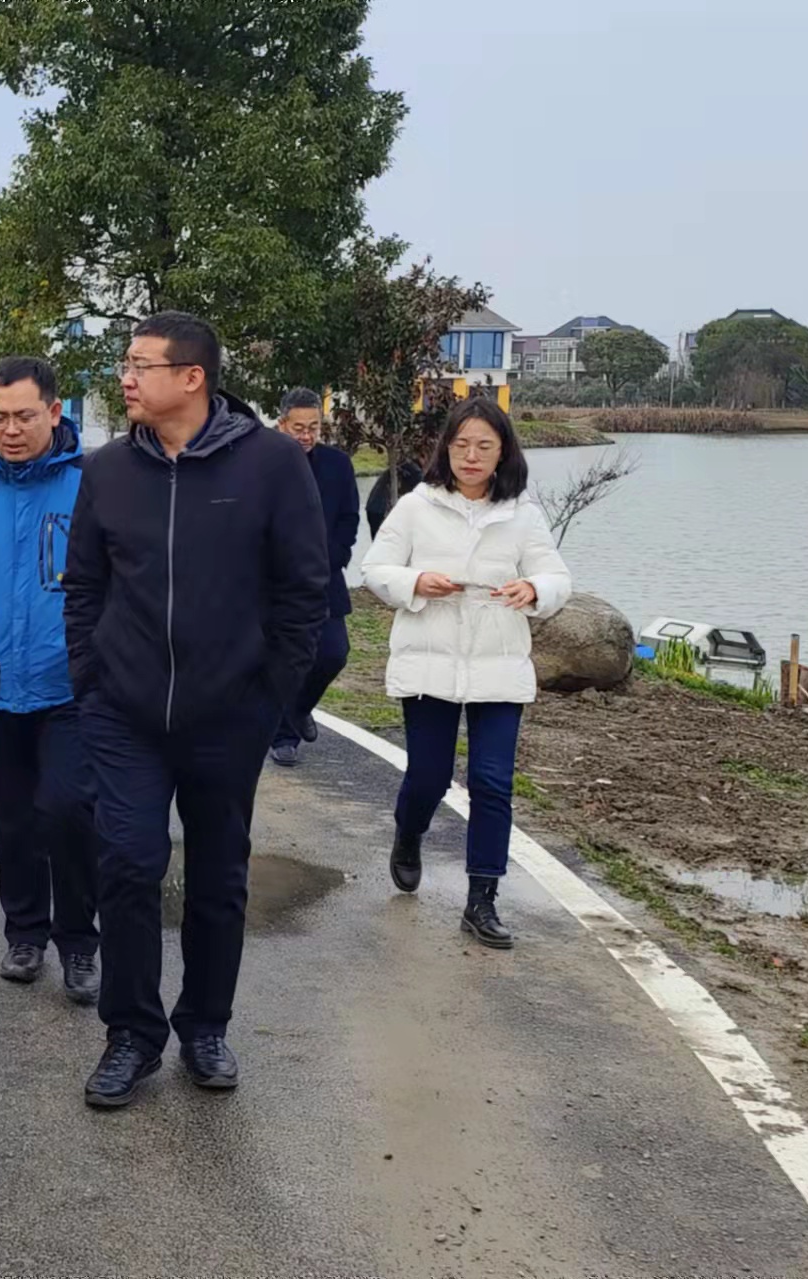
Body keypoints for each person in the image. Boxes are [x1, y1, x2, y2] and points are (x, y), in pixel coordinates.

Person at [63, 312, 326, 1109]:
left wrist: (265, 699)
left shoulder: (273, 463)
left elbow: (303, 591)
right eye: (126, 362)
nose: (126, 377)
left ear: (192, 377)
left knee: (217, 875)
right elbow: (85, 586)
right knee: (128, 861)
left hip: (229, 716)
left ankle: (206, 1025)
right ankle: (131, 1034)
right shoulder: (108, 469)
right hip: (125, 713)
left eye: (140, 364)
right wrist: (92, 682)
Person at [359, 397, 571, 950]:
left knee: (492, 782)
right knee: (429, 777)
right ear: (446, 449)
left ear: (503, 453)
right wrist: (415, 582)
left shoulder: (522, 514)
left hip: (498, 666)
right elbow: (375, 568)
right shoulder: (417, 506)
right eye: (461, 445)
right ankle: (409, 832)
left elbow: (556, 577)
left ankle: (482, 899)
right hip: (429, 661)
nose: (471, 456)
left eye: (483, 446)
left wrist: (534, 589)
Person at [0, 356, 99, 1004]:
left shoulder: (93, 487)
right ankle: (24, 932)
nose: (9, 429)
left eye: (24, 416)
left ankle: (80, 940)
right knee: (11, 820)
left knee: (66, 810)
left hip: (71, 689)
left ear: (54, 413)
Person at [268, 388, 361, 767]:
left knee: (334, 653)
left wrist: (333, 557)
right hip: (275, 582)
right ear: (282, 425)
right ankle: (283, 737)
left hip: (325, 577)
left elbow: (349, 519)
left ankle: (298, 709)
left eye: (314, 428)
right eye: (299, 428)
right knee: (287, 659)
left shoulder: (338, 465)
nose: (306, 435)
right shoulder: (263, 464)